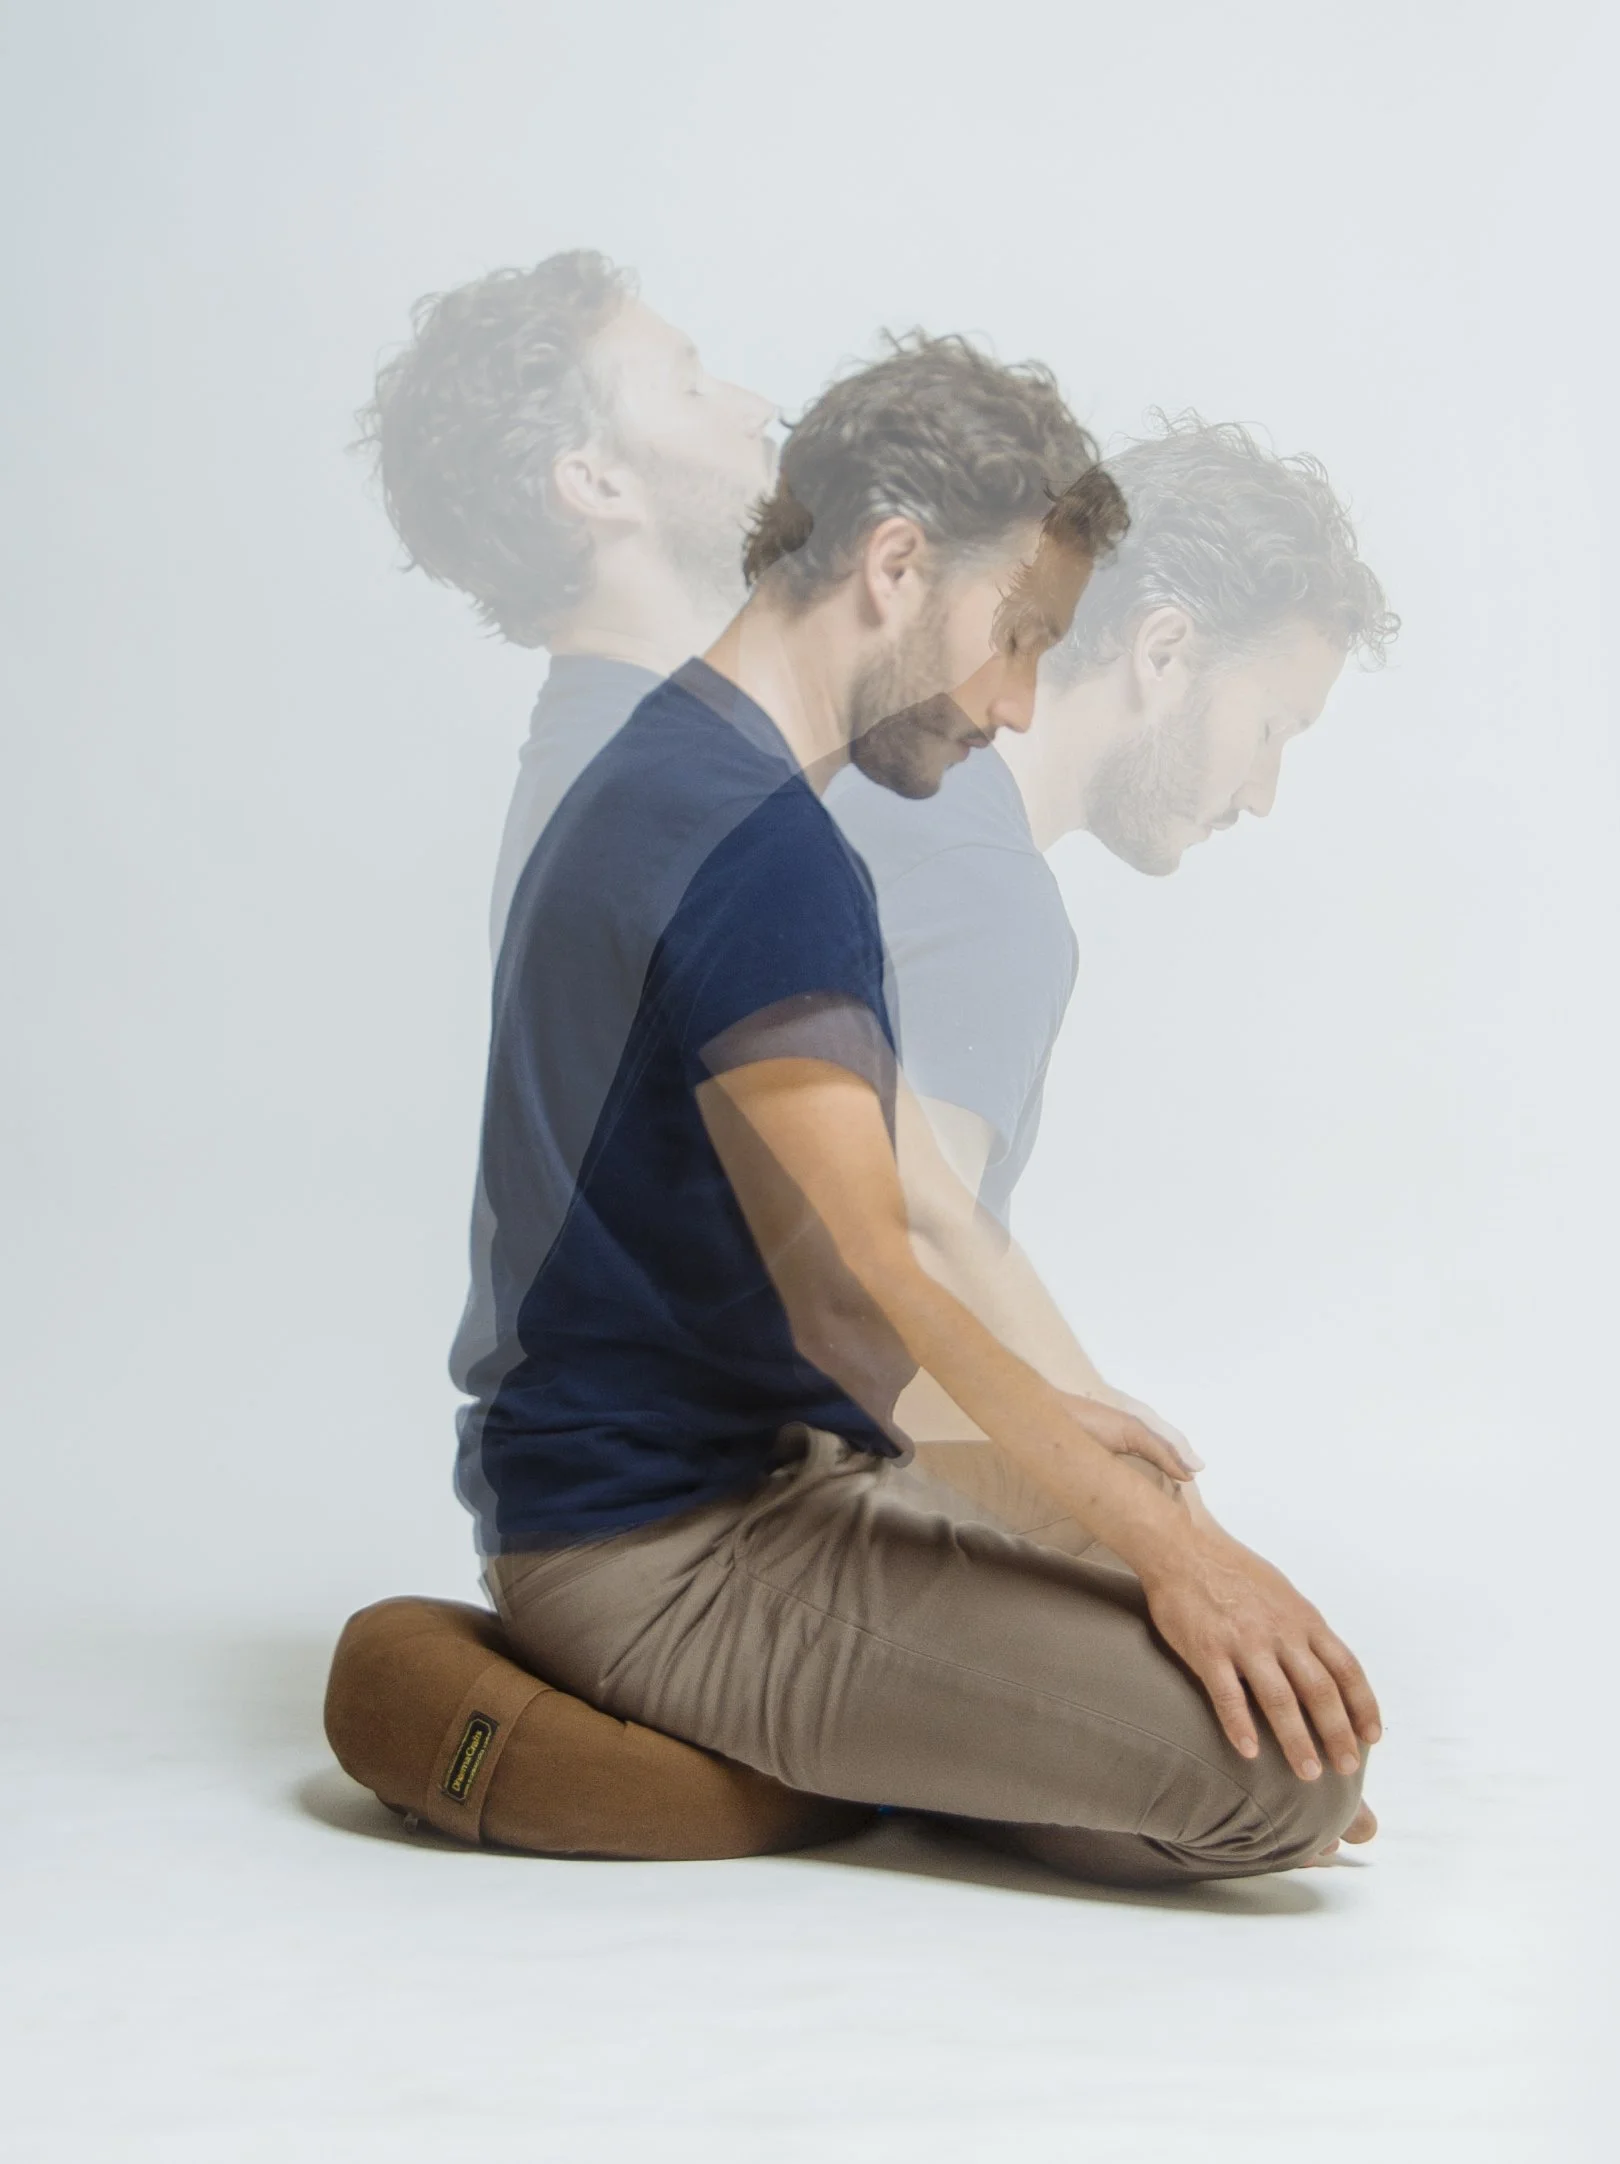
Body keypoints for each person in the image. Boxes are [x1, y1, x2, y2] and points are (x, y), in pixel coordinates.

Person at [457, 332, 1381, 1889]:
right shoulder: (758, 852)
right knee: (1279, 1784)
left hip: (739, 1478)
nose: (1018, 703)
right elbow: (859, 1301)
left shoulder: (680, 770)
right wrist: (1174, 1559)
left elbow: (866, 1248)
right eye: (1014, 633)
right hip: (663, 1557)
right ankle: (672, 1762)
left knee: (1165, 1588)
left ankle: (908, 1724)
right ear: (894, 563)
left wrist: (1081, 1481)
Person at [826, 418, 1398, 1476]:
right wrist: (1133, 1499)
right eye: (1271, 728)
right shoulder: (987, 895)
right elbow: (895, 1292)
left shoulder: (871, 783)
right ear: (1163, 649)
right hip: (740, 1508)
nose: (1263, 795)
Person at [358, 247, 776, 950]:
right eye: (691, 388)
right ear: (598, 484)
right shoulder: (661, 804)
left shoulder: (621, 778)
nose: (759, 410)